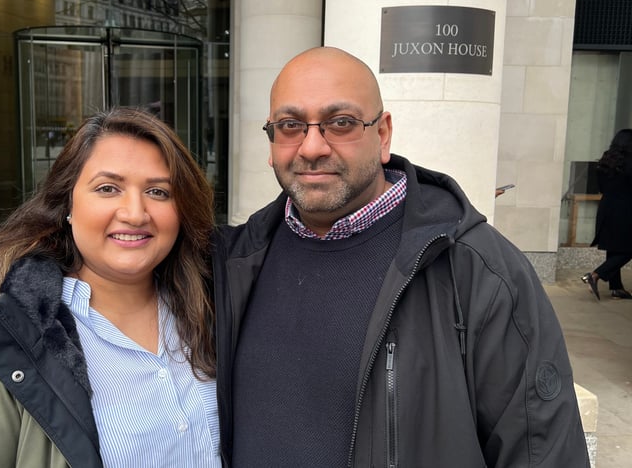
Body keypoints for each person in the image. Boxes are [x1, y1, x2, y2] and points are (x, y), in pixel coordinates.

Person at [212, 47, 590, 467]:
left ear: (384, 133)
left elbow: (542, 453)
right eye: (290, 125)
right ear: (271, 141)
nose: (312, 146)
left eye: (341, 123)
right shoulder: (234, 263)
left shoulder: (479, 271)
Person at [0, 108, 220, 467]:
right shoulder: (4, 340)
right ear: (68, 205)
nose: (136, 213)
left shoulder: (215, 307)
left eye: (158, 191)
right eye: (108, 188)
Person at [581, 128, 632, 300]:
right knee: (627, 249)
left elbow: (602, 188)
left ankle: (617, 288)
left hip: (606, 208)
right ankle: (595, 275)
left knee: (614, 248)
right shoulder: (630, 162)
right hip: (625, 209)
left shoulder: (606, 161)